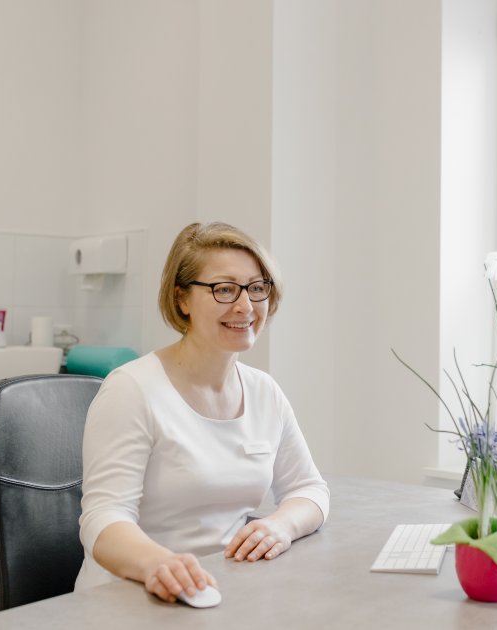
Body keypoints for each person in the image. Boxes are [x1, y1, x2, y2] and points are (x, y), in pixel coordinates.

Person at [74, 222, 329, 603]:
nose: (245, 306)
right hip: (130, 597)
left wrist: (280, 526)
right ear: (182, 300)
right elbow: (102, 520)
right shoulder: (131, 390)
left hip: (220, 591)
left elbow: (309, 490)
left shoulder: (264, 392)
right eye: (224, 289)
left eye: (256, 288)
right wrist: (159, 564)